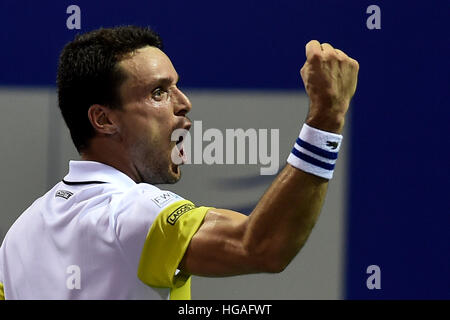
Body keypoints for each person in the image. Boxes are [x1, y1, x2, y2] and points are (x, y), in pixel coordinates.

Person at [0, 25, 359, 299]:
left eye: (176, 87)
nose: (183, 102)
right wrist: (326, 118)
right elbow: (261, 246)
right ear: (104, 119)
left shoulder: (19, 235)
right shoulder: (130, 214)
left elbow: (258, 235)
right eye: (158, 92)